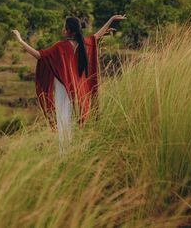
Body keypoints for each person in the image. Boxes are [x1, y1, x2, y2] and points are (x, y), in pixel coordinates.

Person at [12, 14, 126, 152]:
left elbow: (39, 55)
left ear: (68, 30)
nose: (62, 29)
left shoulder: (60, 47)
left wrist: (20, 40)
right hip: (78, 91)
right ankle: (76, 150)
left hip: (63, 89)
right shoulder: (85, 43)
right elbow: (97, 36)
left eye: (63, 27)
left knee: (64, 121)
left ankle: (65, 153)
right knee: (74, 121)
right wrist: (111, 19)